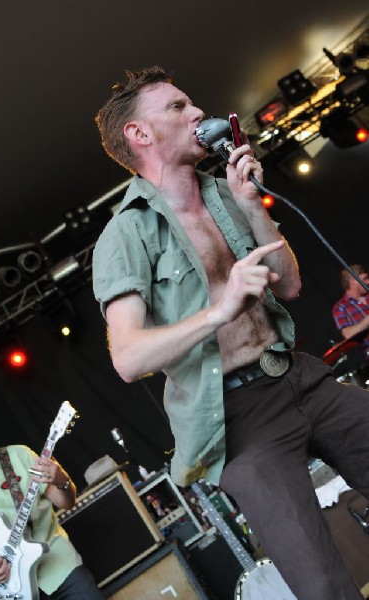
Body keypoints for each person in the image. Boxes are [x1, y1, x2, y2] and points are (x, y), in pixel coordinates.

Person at [92, 66, 369, 599]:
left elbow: (288, 286)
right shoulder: (123, 235)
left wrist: (252, 207)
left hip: (299, 376)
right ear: (139, 134)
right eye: (177, 107)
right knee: (322, 584)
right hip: (237, 419)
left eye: (192, 103)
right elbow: (127, 358)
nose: (198, 113)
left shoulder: (224, 192)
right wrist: (219, 311)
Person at [0, 403, 105, 599]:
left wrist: (63, 481)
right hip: (5, 590)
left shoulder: (18, 456)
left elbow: (66, 503)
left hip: (59, 570)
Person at [332, 264, 369, 360]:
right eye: (364, 279)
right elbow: (348, 334)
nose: (368, 282)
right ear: (353, 281)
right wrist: (367, 321)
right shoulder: (341, 307)